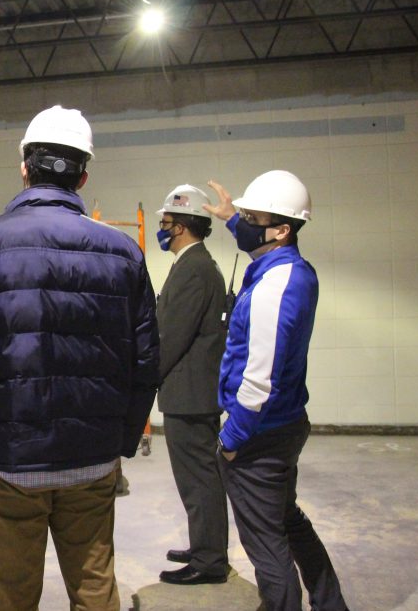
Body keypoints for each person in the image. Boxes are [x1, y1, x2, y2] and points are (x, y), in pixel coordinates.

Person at [0, 105, 160, 611]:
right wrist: (120, 440)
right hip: (92, 458)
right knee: (95, 587)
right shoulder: (124, 253)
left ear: (24, 167)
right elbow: (145, 360)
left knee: (12, 593)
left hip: (6, 460)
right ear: (84, 175)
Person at [203, 171, 349, 611]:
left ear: (282, 229)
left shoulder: (275, 285)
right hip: (283, 426)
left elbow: (259, 381)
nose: (243, 224)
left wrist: (231, 440)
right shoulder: (291, 270)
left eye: (252, 217)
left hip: (259, 436)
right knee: (288, 520)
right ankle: (330, 603)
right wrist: (233, 219)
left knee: (268, 549)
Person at [153, 184, 230, 586]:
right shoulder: (197, 264)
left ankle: (209, 561)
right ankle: (206, 547)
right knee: (200, 479)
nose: (161, 230)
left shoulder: (193, 268)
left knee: (199, 480)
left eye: (165, 223)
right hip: (193, 392)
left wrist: (145, 378)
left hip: (189, 395)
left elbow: (171, 337)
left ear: (180, 226)